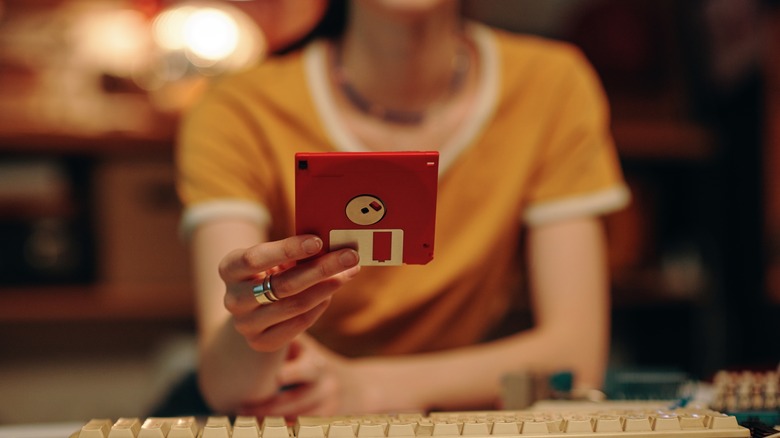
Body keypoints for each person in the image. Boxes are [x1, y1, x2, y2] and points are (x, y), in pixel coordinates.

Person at [175, 0, 631, 417]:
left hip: (459, 415)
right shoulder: (238, 106)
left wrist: (368, 386)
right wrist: (259, 321)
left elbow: (575, 358)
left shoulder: (550, 84)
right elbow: (229, 386)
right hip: (301, 403)